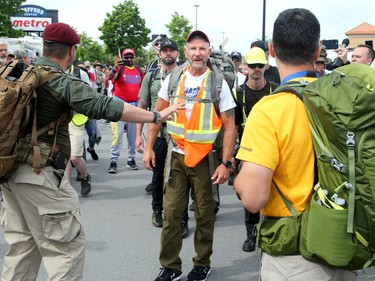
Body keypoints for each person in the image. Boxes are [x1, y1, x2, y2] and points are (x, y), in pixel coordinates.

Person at [0, 22, 184, 281]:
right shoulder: (59, 81)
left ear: (45, 47)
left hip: (10, 173)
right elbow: (107, 106)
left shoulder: (22, 73)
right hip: (40, 176)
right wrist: (156, 114)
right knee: (65, 251)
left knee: (22, 249)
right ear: (72, 50)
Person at [234, 9, 357, 281]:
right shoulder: (346, 100)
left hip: (295, 252)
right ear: (317, 52)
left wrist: (238, 179)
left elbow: (253, 200)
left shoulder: (270, 109)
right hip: (343, 242)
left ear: (271, 51)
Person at [144, 30, 236, 281]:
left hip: (207, 159)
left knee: (205, 215)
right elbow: (157, 115)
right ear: (186, 52)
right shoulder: (174, 78)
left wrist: (226, 163)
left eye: (202, 48)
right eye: (193, 48)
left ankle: (202, 263)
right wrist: (149, 146)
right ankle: (170, 267)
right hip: (177, 156)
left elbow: (230, 126)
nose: (197, 53)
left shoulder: (218, 81)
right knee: (172, 214)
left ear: (209, 51)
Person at [136, 39, 189, 236]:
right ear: (159, 54)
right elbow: (142, 106)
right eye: (164, 51)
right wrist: (138, 137)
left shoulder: (185, 76)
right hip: (157, 133)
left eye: (171, 51)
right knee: (157, 176)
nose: (168, 54)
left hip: (179, 135)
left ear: (177, 54)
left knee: (180, 179)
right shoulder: (151, 77)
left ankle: (182, 218)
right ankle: (157, 211)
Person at [236, 47, 279, 253]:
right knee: (250, 194)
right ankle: (250, 233)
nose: (256, 70)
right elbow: (233, 125)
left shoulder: (277, 90)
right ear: (245, 67)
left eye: (260, 65)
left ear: (266, 66)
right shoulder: (239, 93)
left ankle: (272, 228)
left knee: (275, 191)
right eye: (252, 65)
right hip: (249, 149)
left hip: (274, 147)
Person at [107, 48, 144, 173]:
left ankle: (131, 159)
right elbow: (110, 78)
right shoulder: (120, 68)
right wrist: (114, 67)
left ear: (134, 57)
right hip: (119, 106)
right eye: (126, 57)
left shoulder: (140, 71)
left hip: (134, 106)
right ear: (122, 58)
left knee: (132, 135)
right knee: (117, 135)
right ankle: (113, 160)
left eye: (131, 57)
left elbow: (143, 88)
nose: (129, 59)